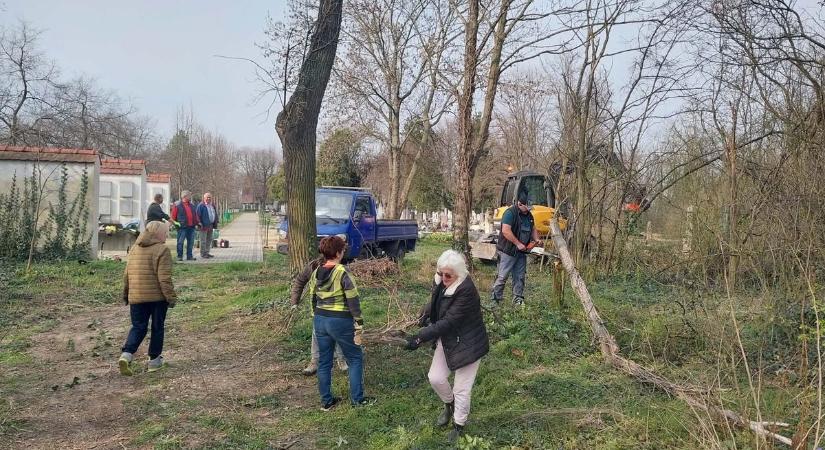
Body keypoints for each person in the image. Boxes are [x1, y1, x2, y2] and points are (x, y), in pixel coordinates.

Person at [405, 249, 489, 443]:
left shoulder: (466, 291)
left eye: (448, 275)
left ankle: (459, 425)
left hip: (469, 343)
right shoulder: (443, 281)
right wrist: (422, 316)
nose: (443, 278)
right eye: (441, 273)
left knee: (462, 388)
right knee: (435, 378)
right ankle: (449, 405)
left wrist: (420, 337)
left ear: (458, 274)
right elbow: (435, 302)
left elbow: (448, 322)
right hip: (450, 339)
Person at [309, 236, 371, 410]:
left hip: (320, 319)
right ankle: (358, 400)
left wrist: (316, 315)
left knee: (324, 362)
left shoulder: (316, 272)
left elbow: (312, 297)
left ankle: (326, 401)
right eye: (343, 250)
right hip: (340, 320)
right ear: (337, 253)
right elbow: (353, 299)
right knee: (355, 358)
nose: (344, 253)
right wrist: (358, 322)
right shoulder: (342, 272)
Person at [118, 221, 177, 375]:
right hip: (157, 298)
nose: (167, 235)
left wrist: (126, 294)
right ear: (157, 234)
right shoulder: (162, 250)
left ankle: (126, 355)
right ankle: (154, 362)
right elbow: (164, 278)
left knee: (138, 327)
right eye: (165, 232)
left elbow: (127, 275)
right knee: (157, 328)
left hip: (136, 297)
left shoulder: (135, 248)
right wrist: (170, 297)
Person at [290, 255, 348, 375]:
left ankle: (341, 360)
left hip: (336, 308)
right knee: (317, 334)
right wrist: (294, 302)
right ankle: (315, 362)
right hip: (318, 308)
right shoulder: (312, 267)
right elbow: (299, 281)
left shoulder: (340, 268)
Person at [491, 191, 539, 306]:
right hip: (508, 251)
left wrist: (536, 239)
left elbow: (533, 228)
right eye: (526, 207)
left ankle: (518, 299)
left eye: (529, 207)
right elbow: (506, 231)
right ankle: (495, 299)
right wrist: (518, 243)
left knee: (520, 276)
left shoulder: (529, 215)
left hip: (521, 252)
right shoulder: (510, 213)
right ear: (519, 204)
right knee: (502, 276)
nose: (528, 209)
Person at [171, 190, 200, 261]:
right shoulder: (177, 205)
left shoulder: (192, 205)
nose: (190, 197)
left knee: (191, 243)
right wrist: (176, 225)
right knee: (180, 242)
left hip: (191, 227)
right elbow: (173, 217)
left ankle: (189, 256)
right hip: (182, 227)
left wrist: (197, 223)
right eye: (189, 195)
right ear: (185, 196)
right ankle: (179, 256)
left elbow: (195, 215)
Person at [196, 192, 219, 259]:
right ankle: (203, 254)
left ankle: (207, 252)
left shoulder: (212, 205)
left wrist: (216, 221)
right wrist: (199, 223)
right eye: (207, 197)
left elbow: (215, 213)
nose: (208, 198)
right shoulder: (201, 206)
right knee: (203, 241)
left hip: (211, 225)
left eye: (210, 197)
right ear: (204, 198)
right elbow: (197, 215)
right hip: (203, 226)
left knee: (209, 240)